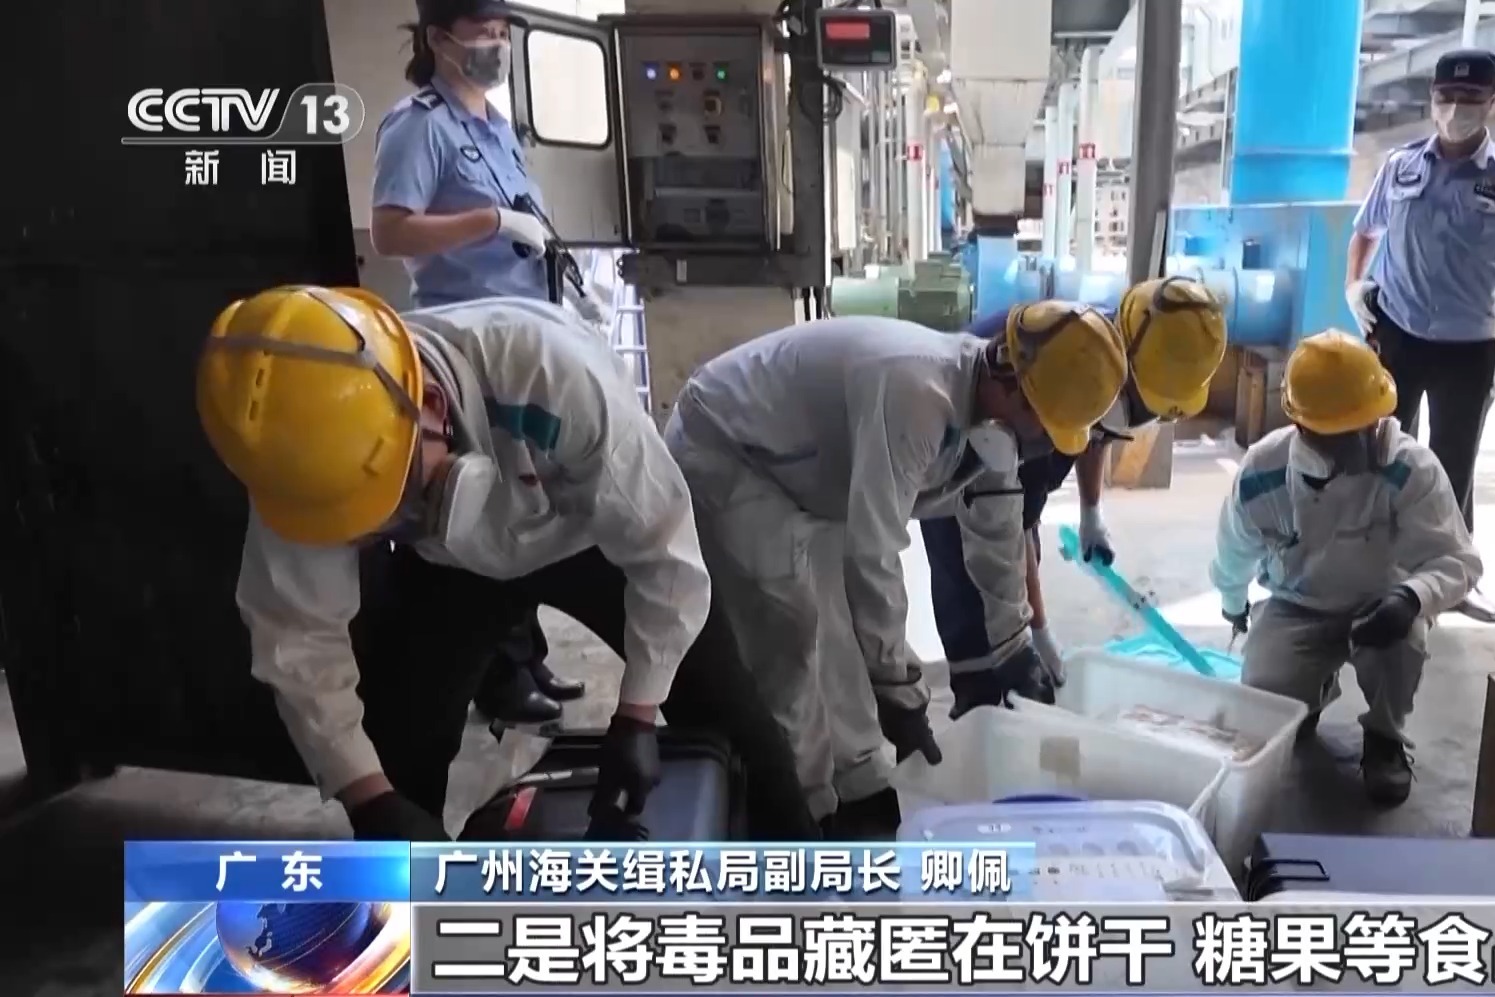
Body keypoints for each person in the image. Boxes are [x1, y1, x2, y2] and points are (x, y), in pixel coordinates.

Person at [195, 287, 814, 840]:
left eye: (399, 494)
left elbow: (665, 556)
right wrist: (369, 799)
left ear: (431, 404)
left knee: (733, 721)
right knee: (401, 751)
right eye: (366, 521)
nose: (386, 521)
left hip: (587, 535)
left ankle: (811, 887)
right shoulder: (296, 470)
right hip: (447, 569)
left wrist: (636, 716)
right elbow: (300, 642)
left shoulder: (553, 378)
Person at [663, 307, 1129, 836]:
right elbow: (874, 556)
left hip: (812, 473)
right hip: (731, 448)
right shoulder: (915, 393)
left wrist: (1014, 644)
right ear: (1010, 378)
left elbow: (998, 528)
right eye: (1041, 425)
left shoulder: (996, 419)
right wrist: (898, 692)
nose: (1040, 442)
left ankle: (860, 783)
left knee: (840, 631)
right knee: (788, 635)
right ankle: (802, 813)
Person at [370, 0, 594, 726]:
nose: (497, 46)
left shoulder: (496, 126)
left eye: (503, 34)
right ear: (440, 40)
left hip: (524, 334)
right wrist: (488, 221)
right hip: (467, 346)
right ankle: (497, 676)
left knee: (530, 498)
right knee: (488, 506)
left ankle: (526, 655)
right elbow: (390, 231)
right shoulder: (419, 126)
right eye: (483, 34)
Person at [922, 277, 1228, 715]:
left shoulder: (1111, 346)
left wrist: (1091, 511)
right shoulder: (1057, 372)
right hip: (964, 447)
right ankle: (978, 705)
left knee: (1014, 597)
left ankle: (1011, 692)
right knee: (974, 597)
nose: (1144, 416)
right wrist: (1036, 631)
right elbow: (1013, 522)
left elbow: (1096, 434)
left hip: (1020, 447)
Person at [1211, 331, 1483, 806]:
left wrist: (1412, 597)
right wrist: (1234, 603)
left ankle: (1384, 736)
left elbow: (1457, 559)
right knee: (1266, 692)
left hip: (1382, 605)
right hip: (1297, 606)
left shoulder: (1410, 468)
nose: (1359, 439)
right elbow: (1234, 549)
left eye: (1365, 424)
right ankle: (1306, 698)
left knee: (1404, 644)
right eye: (1340, 431)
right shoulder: (1264, 473)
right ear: (1302, 426)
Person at [1343, 47, 1495, 625]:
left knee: (1453, 462)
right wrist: (1354, 286)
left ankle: (1454, 580)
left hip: (1468, 346)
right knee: (1382, 451)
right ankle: (1378, 567)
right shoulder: (1401, 166)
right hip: (1397, 334)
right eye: (1446, 97)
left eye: (1470, 98)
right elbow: (1365, 231)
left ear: (1491, 101)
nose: (1456, 108)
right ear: (1431, 99)